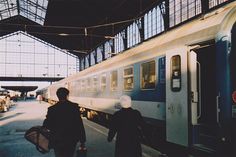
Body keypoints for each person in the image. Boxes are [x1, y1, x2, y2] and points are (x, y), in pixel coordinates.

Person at [43, 87, 86, 157]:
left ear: (57, 96)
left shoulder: (52, 109)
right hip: (71, 139)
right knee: (69, 155)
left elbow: (47, 124)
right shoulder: (74, 107)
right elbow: (79, 124)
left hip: (57, 139)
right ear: (67, 95)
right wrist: (82, 140)